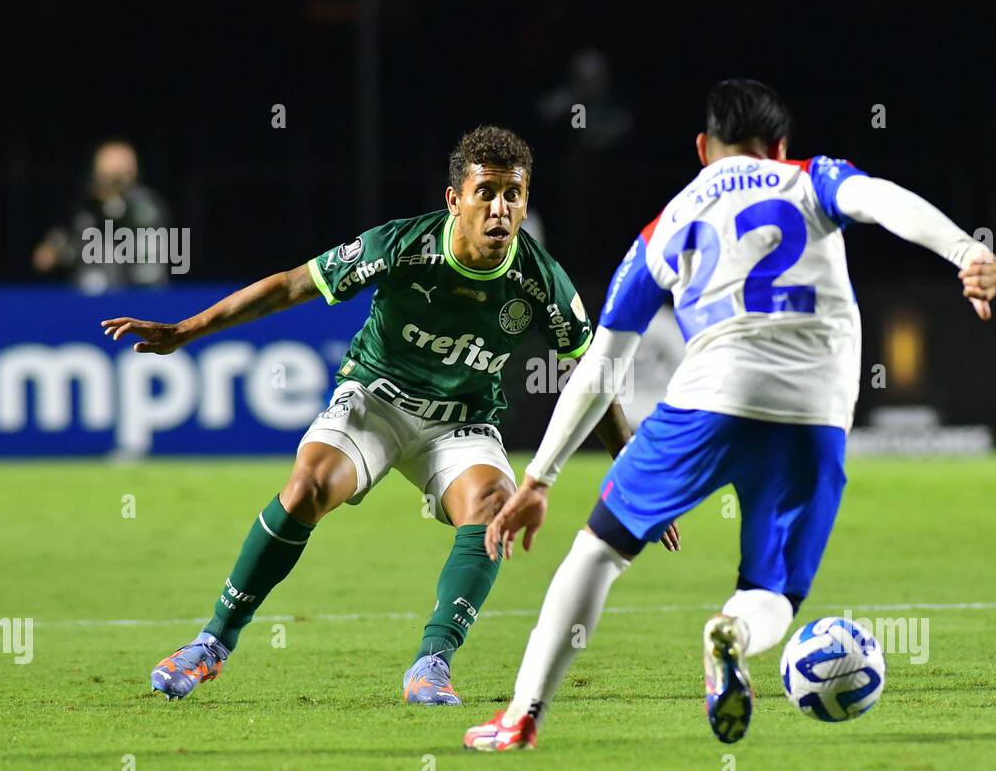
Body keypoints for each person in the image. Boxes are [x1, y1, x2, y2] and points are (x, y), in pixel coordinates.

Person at [464, 80, 996, 750]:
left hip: (708, 401)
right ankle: (733, 636)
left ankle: (522, 715)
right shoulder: (808, 178)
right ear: (778, 145)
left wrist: (539, 479)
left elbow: (601, 366)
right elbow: (878, 199)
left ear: (701, 149)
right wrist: (965, 250)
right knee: (771, 591)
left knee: (598, 549)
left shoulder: (668, 223)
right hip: (814, 415)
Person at [101, 126, 677, 705]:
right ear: (455, 200)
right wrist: (187, 330)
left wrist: (634, 470)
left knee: (494, 506)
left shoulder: (541, 281)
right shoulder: (405, 245)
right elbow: (293, 286)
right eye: (486, 193)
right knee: (305, 489)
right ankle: (211, 644)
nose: (500, 209)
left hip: (461, 422)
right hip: (377, 401)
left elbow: (591, 374)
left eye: (513, 194)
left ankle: (432, 664)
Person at [33, 140, 171, 293]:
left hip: (140, 296)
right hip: (89, 299)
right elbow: (47, 256)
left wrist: (110, 207)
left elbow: (133, 227)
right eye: (107, 175)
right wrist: (59, 250)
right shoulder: (83, 209)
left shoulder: (147, 204)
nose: (112, 182)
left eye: (118, 176)